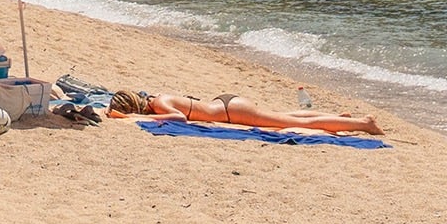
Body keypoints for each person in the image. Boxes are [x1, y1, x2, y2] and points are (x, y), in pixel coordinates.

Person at [122, 90, 381, 136]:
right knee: (282, 116)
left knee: (289, 122)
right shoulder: (160, 97)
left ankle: (363, 123)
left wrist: (138, 118)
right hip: (227, 104)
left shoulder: (157, 106)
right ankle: (341, 118)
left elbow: (178, 119)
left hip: (230, 112)